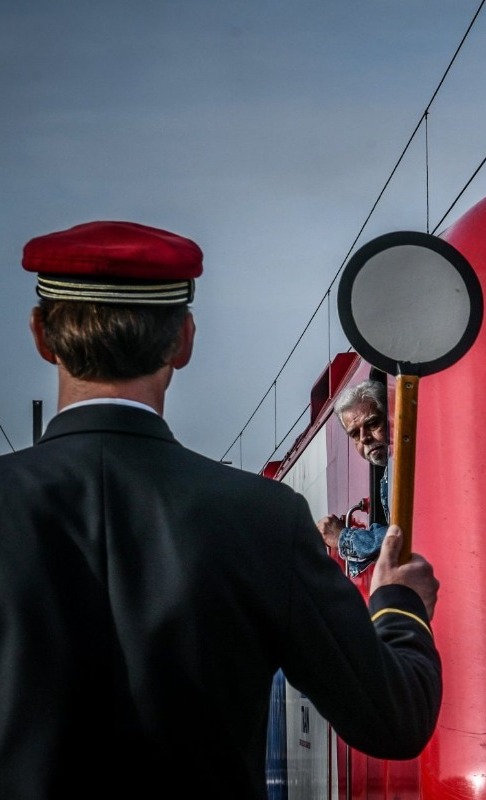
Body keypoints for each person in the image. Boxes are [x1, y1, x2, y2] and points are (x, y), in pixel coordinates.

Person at [0, 221, 442, 798]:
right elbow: (394, 720)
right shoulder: (263, 518)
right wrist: (398, 603)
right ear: (184, 339)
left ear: (40, 335)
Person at [317, 379, 392, 577]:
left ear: (391, 417)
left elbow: (407, 536)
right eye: (355, 435)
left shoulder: (410, 465)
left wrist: (343, 537)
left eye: (373, 424)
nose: (364, 438)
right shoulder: (387, 475)